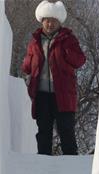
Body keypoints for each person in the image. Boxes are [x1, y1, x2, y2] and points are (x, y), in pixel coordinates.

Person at [21, 1, 86, 155]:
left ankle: (71, 166)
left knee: (66, 132)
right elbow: (27, 67)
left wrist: (68, 52)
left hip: (63, 94)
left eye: (54, 21)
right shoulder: (35, 41)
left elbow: (80, 61)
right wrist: (28, 62)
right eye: (47, 20)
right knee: (43, 132)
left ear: (59, 22)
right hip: (41, 95)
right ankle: (43, 167)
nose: (50, 24)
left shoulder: (68, 39)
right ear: (42, 21)